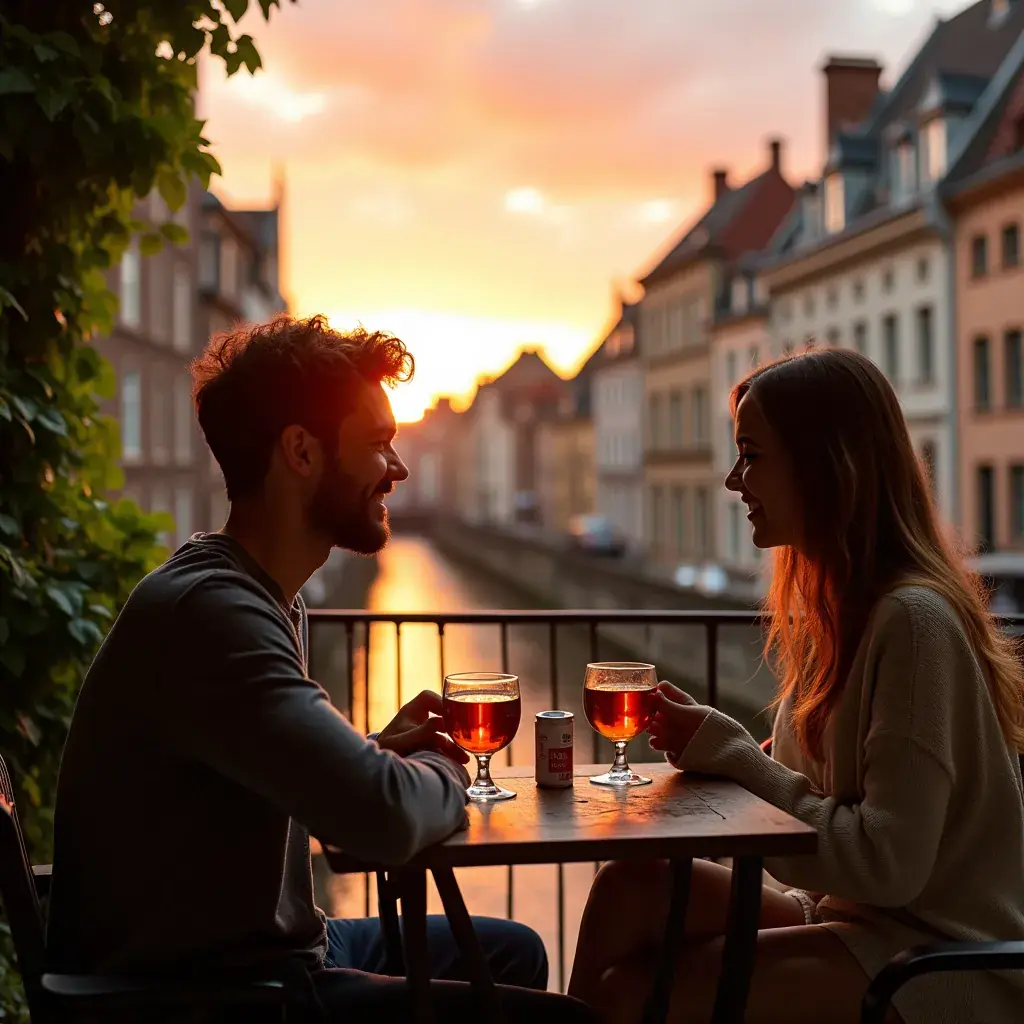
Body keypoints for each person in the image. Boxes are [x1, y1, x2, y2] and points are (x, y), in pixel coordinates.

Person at [47, 314, 594, 1021]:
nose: (397, 469)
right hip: (210, 993)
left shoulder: (259, 595)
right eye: (377, 444)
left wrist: (370, 752)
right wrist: (444, 769)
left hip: (259, 953)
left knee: (513, 950)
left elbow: (273, 770)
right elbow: (379, 818)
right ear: (301, 452)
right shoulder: (215, 614)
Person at [568, 349, 1024, 1024]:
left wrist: (736, 756)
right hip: (861, 921)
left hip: (937, 958)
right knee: (628, 890)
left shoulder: (913, 621)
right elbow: (810, 789)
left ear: (826, 464)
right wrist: (720, 753)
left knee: (631, 993)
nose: (733, 480)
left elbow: (887, 863)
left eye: (750, 456)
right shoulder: (841, 613)